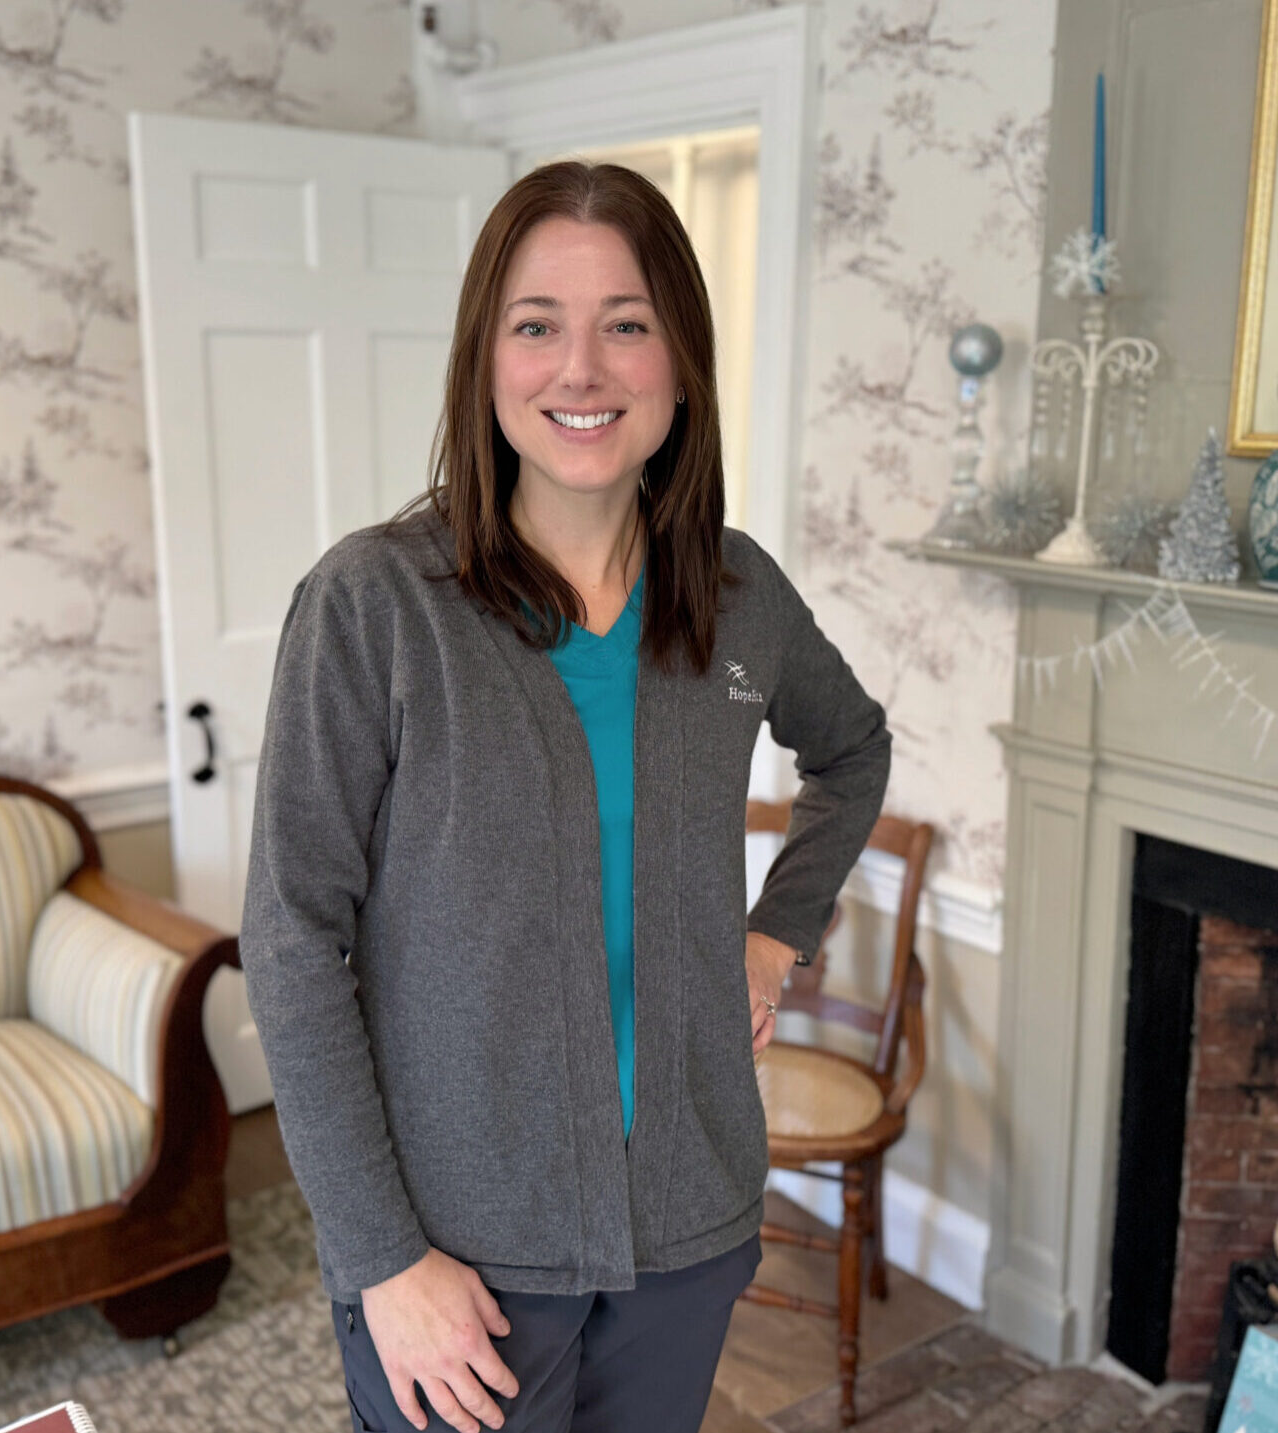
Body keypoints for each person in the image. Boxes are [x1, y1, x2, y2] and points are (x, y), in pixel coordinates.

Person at [241, 160, 892, 1433]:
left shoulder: (740, 595)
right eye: (536, 325)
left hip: (686, 1228)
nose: (580, 370)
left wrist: (771, 937)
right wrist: (381, 1257)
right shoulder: (375, 606)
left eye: (626, 325)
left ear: (682, 363)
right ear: (485, 362)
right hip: (456, 1258)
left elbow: (851, 751)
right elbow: (290, 935)